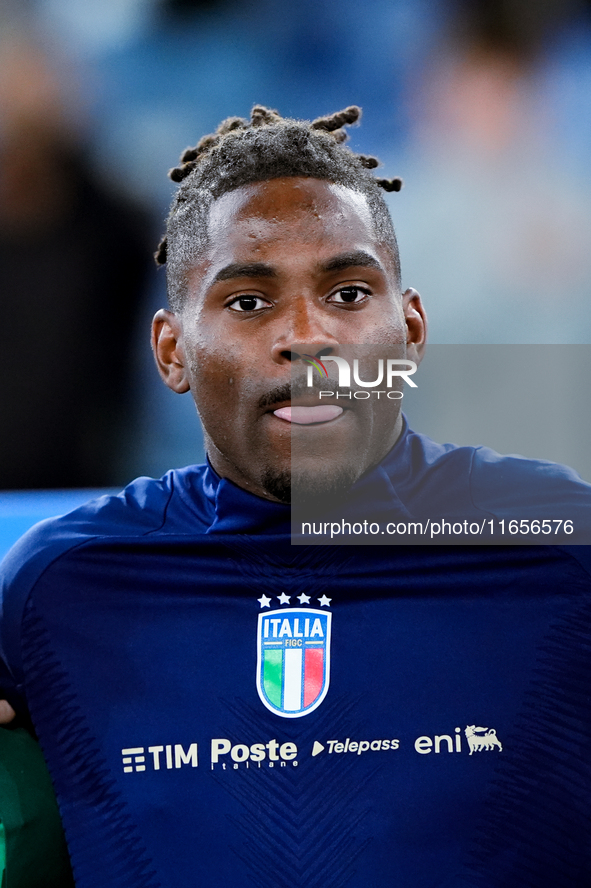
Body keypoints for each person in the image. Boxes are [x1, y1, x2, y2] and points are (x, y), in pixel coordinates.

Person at [1, 105, 591, 888]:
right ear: (172, 351)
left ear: (410, 331)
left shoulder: (559, 551)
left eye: (348, 293)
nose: (307, 335)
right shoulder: (59, 589)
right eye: (248, 301)